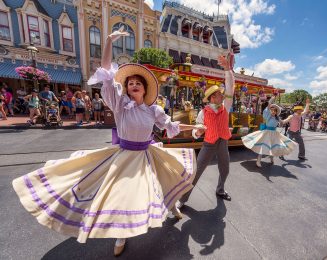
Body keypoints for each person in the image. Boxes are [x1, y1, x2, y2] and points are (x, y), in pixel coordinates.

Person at [12, 27, 202, 257]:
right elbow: (105, 71)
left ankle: (172, 207)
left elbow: (171, 126)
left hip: (147, 154)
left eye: (137, 83)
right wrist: (109, 42)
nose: (133, 84)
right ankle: (121, 234)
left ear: (144, 89)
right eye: (130, 82)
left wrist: (195, 127)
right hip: (124, 156)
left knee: (163, 180)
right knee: (122, 196)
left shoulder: (154, 110)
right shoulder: (120, 105)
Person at [178, 51, 235, 208]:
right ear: (211, 98)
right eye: (218, 94)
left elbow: (231, 87)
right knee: (196, 172)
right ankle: (183, 199)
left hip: (223, 141)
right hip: (209, 143)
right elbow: (195, 131)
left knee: (225, 169)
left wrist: (228, 69)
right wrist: (198, 132)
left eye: (221, 94)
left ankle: (220, 189)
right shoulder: (203, 112)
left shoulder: (226, 107)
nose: (222, 96)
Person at [242, 95, 297, 167]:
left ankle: (271, 158)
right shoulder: (268, 116)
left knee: (273, 147)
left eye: (275, 110)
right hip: (267, 133)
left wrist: (289, 118)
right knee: (263, 146)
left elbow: (283, 122)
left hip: (274, 134)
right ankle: (258, 161)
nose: (273, 111)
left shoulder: (277, 118)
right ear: (270, 110)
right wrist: (272, 99)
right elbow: (268, 106)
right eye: (272, 110)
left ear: (277, 112)